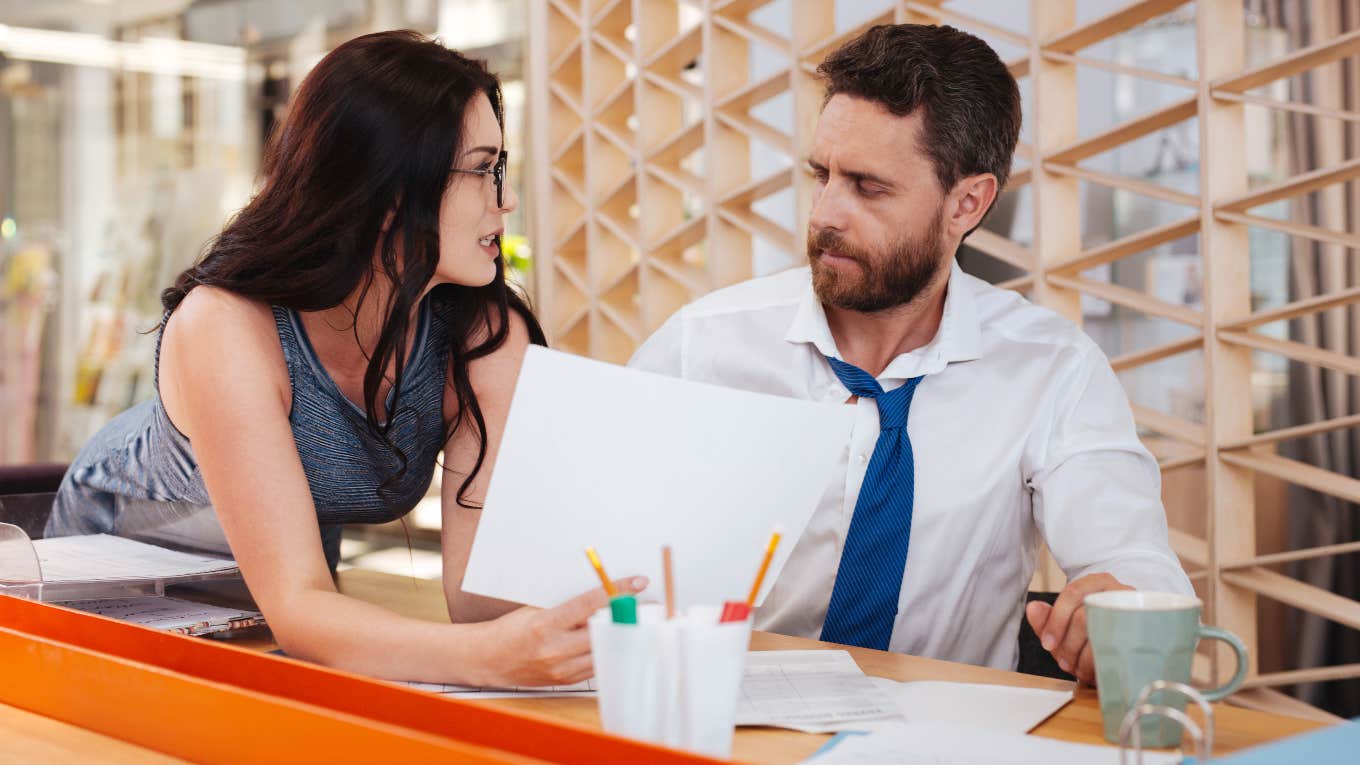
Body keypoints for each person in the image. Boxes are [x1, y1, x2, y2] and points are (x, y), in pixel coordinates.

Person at [46, 30, 642, 686]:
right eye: (481, 167)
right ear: (387, 187)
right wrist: (491, 657)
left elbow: (478, 602)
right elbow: (303, 609)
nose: (506, 201)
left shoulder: (483, 332)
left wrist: (612, 583)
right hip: (114, 568)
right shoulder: (225, 324)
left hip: (264, 597)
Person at [629, 24, 1192, 683]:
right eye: (823, 175)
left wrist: (1116, 602)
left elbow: (1138, 563)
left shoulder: (1053, 369)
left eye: (868, 187)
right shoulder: (704, 346)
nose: (825, 215)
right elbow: (590, 554)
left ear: (968, 202)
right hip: (729, 725)